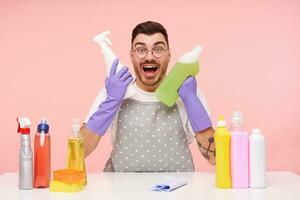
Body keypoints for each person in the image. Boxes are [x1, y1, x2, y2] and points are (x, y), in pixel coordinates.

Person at [80, 21, 216, 172]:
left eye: (158, 49)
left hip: (178, 191)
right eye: (140, 50)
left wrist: (191, 99)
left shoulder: (187, 90)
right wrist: (110, 102)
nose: (149, 57)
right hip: (122, 190)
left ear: (169, 54)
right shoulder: (115, 90)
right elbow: (79, 152)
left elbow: (215, 158)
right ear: (131, 55)